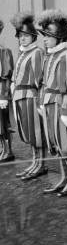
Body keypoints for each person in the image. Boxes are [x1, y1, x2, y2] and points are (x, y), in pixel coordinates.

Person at [37, 9, 67, 197]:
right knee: (55, 143)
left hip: (61, 105)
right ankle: (64, 178)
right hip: (49, 104)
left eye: (48, 36)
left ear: (59, 37)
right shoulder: (50, 55)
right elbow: (44, 83)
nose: (44, 39)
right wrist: (42, 103)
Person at [11, 12, 46, 179]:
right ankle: (34, 161)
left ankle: (41, 164)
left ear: (33, 37)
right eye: (20, 35)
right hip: (19, 95)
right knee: (27, 130)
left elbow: (40, 78)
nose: (22, 39)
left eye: (26, 36)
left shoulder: (37, 52)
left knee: (36, 131)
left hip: (30, 96)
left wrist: (40, 102)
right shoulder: (23, 52)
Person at [0, 20, 14, 164]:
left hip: (0, 92)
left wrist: (3, 95)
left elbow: (6, 76)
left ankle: (7, 150)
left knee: (3, 123)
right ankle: (1, 148)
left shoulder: (4, 52)